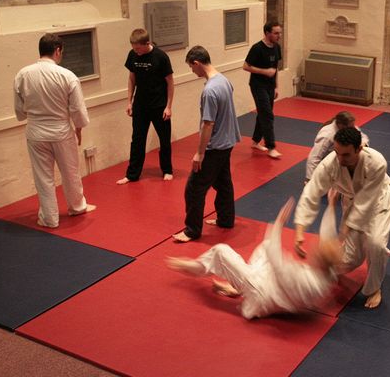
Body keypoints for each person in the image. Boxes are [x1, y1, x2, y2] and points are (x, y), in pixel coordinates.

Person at [167, 195, 342, 319]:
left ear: (320, 261)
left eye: (316, 253)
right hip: (275, 289)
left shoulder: (307, 281)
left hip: (261, 294)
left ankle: (197, 268)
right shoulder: (327, 274)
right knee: (266, 247)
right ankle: (237, 287)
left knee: (221, 251)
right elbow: (329, 238)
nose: (312, 252)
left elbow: (277, 262)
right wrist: (332, 207)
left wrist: (278, 224)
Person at [294, 127, 390, 309]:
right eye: (337, 153)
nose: (340, 159)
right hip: (351, 200)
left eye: (346, 154)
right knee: (349, 259)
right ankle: (341, 266)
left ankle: (374, 288)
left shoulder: (376, 162)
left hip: (380, 200)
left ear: (359, 148)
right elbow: (311, 193)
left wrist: (341, 235)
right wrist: (300, 231)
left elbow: (366, 203)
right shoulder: (330, 163)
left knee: (376, 243)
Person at [13, 33, 95, 227]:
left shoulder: (23, 74)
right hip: (60, 130)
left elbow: (19, 109)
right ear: (58, 50)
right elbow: (77, 108)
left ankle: (49, 218)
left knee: (43, 176)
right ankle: (77, 206)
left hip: (35, 131)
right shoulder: (67, 76)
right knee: (70, 171)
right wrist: (79, 127)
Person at [173, 46, 241, 242]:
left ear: (197, 63)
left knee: (194, 188)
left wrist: (200, 153)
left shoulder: (210, 90)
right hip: (228, 142)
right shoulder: (224, 80)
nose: (192, 71)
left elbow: (208, 123)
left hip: (216, 146)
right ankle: (226, 219)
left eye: (191, 67)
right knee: (223, 182)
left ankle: (191, 230)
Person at [116, 29, 174, 184]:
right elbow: (131, 79)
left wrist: (168, 106)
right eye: (134, 48)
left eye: (138, 48)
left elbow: (170, 82)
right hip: (140, 105)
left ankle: (167, 170)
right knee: (137, 140)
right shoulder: (132, 55)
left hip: (159, 105)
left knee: (164, 139)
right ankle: (132, 174)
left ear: (147, 43)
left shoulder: (161, 57)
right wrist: (129, 101)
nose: (136, 51)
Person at [243, 21, 282, 159]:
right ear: (267, 33)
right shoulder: (257, 48)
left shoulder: (277, 47)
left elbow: (275, 68)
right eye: (276, 33)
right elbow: (246, 66)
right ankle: (271, 146)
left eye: (280, 33)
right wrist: (264, 72)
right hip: (258, 85)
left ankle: (255, 141)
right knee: (267, 115)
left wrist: (276, 86)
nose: (279, 36)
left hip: (270, 86)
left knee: (263, 113)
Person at [305, 111, 370, 184]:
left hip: (341, 156)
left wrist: (364, 144)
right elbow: (314, 157)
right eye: (351, 127)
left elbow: (362, 136)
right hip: (328, 161)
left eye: (353, 126)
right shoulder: (327, 135)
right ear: (341, 125)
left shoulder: (349, 127)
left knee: (361, 152)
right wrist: (310, 179)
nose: (353, 128)